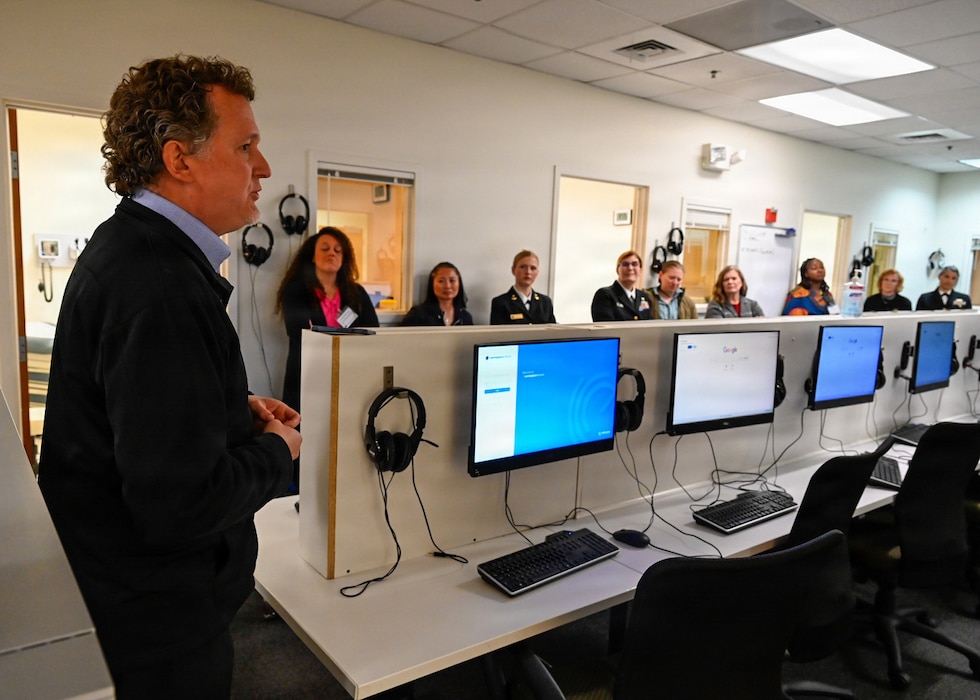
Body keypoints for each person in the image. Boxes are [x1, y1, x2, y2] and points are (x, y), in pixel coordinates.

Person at [36, 56, 301, 700]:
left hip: (127, 599)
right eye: (246, 147)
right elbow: (179, 505)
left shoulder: (133, 250)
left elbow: (132, 409)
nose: (263, 168)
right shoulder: (160, 286)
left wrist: (228, 407)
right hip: (157, 624)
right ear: (179, 160)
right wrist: (277, 450)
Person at [277, 226, 379, 411]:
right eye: (325, 249)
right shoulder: (296, 291)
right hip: (308, 372)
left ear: (343, 258)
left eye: (337, 250)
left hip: (349, 371)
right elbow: (299, 333)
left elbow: (372, 330)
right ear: (313, 257)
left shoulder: (357, 293)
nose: (331, 253)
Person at [489, 249, 557, 324]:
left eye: (533, 268)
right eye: (523, 267)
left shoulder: (545, 302)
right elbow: (499, 334)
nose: (528, 272)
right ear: (513, 270)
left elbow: (553, 332)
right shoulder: (501, 303)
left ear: (537, 272)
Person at [401, 261, 474, 326]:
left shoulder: (465, 317)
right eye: (441, 281)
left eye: (452, 280)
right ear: (432, 284)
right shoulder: (418, 314)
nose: (447, 286)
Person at [591, 250, 654, 321]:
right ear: (617, 269)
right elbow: (605, 328)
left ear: (640, 270)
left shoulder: (644, 297)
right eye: (625, 264)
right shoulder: (605, 295)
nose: (630, 268)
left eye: (634, 264)